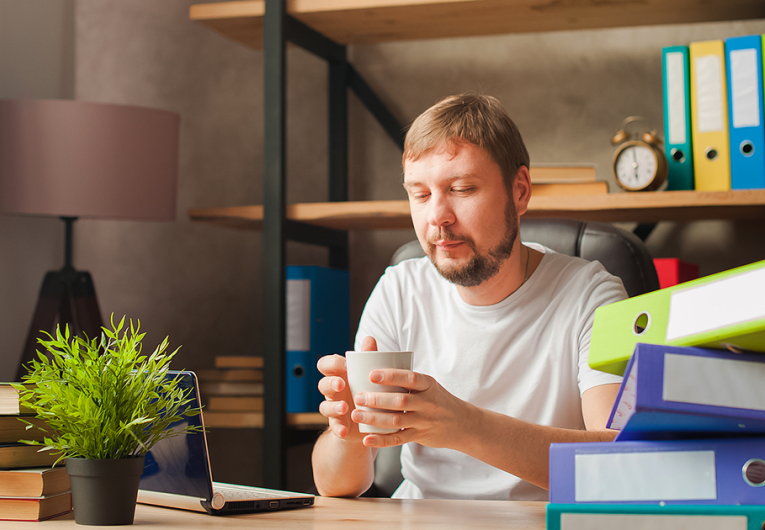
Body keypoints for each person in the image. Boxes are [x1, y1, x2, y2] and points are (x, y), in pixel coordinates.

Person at [311, 93, 625, 500]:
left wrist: (465, 426)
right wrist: (349, 434)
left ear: (520, 191)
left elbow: (623, 466)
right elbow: (336, 486)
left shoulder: (592, 296)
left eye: (460, 189)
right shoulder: (399, 290)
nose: (437, 216)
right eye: (420, 195)